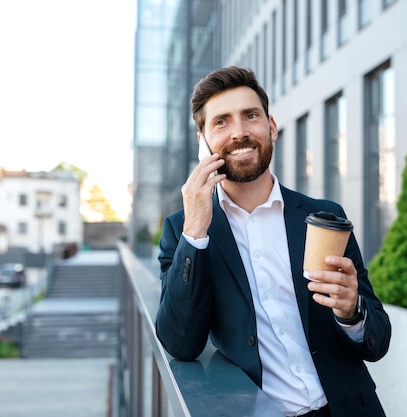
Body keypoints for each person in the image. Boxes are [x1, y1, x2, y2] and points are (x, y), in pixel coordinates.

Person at [155, 66, 391, 417]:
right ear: (203, 142)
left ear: (271, 127)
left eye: (250, 116)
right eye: (221, 122)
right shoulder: (184, 230)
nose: (239, 132)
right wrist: (195, 231)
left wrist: (351, 312)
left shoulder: (324, 217)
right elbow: (180, 343)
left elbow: (377, 340)